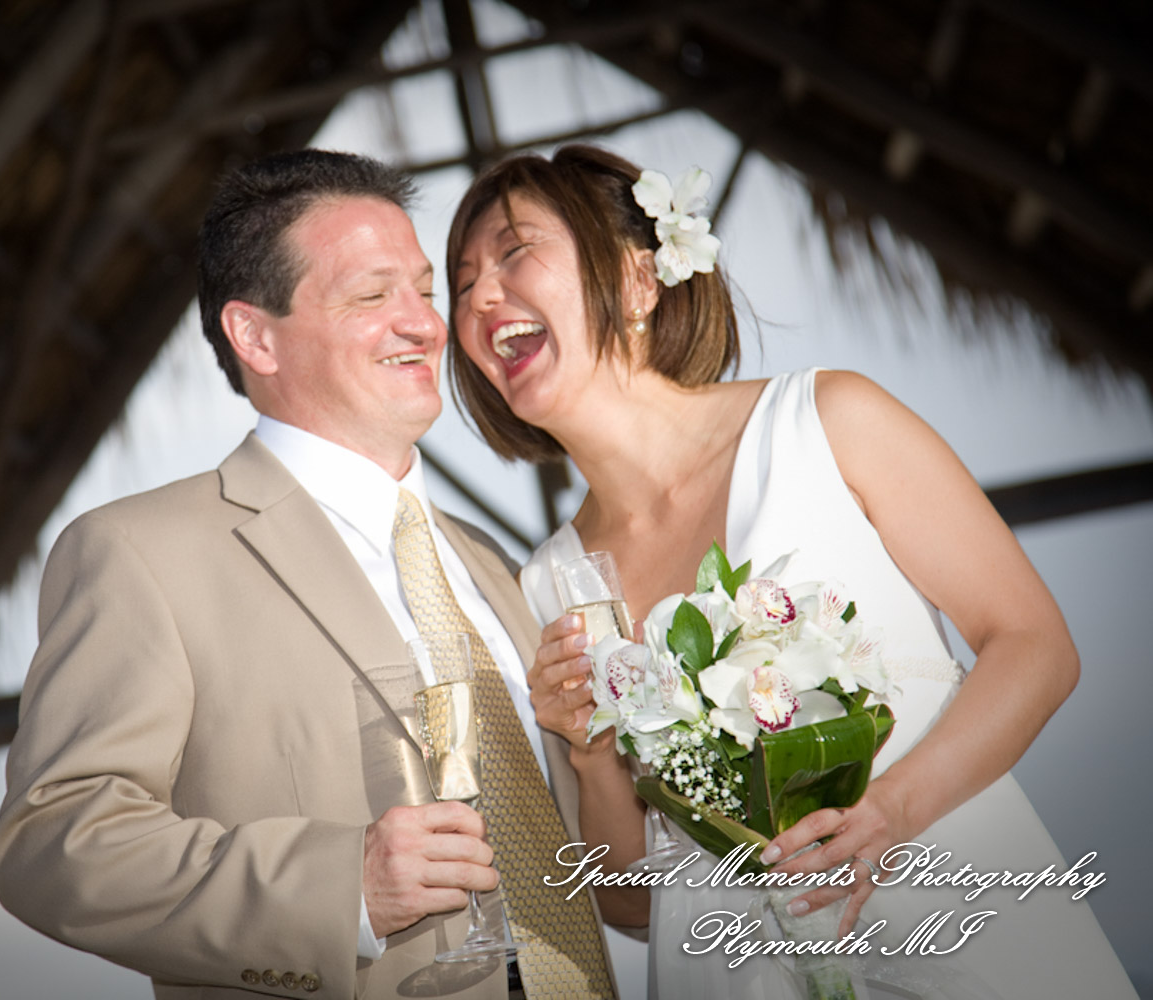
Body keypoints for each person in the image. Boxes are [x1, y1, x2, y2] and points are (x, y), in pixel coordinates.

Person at [444, 144, 1136, 998]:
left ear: (636, 280)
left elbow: (1036, 647)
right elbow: (632, 902)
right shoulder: (549, 584)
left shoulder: (828, 419)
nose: (477, 297)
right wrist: (588, 756)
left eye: (514, 253)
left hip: (958, 920)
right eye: (463, 281)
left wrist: (891, 812)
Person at [0, 149, 619, 1000]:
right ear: (255, 335)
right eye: (372, 296)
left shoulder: (500, 569)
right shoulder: (137, 552)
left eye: (425, 291)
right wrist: (339, 887)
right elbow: (52, 842)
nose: (429, 325)